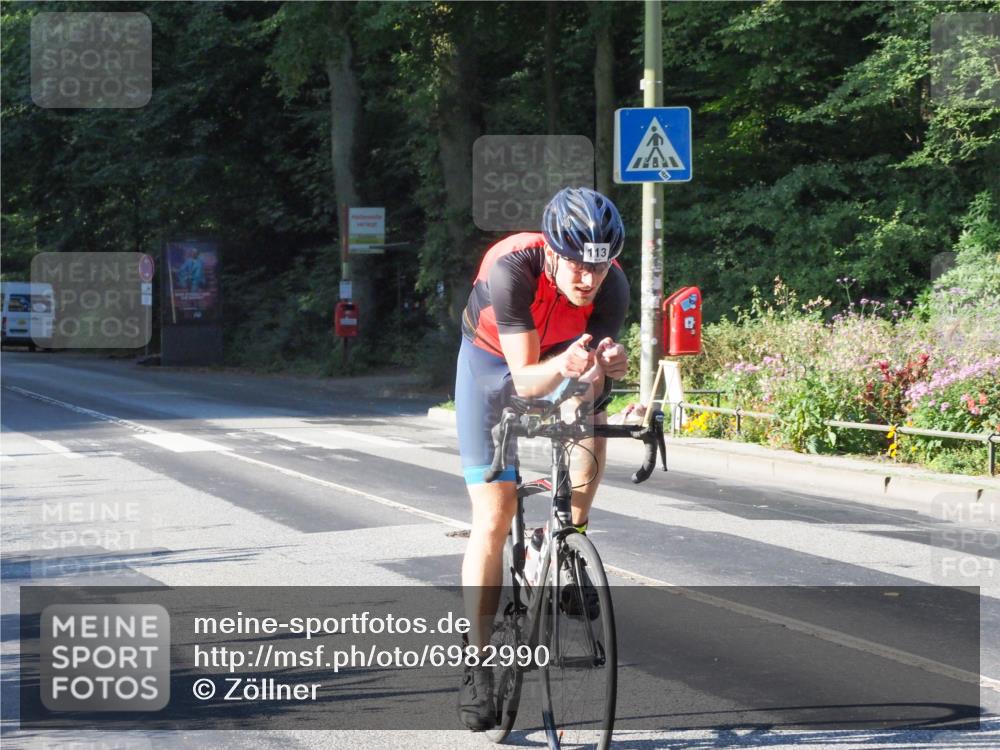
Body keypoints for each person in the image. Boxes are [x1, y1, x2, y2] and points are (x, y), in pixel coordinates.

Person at [454, 187, 630, 730]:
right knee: (494, 514)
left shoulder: (613, 286)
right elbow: (525, 377)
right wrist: (567, 367)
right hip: (492, 366)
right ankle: (478, 661)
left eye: (598, 269)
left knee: (592, 410)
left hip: (560, 361)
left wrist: (606, 365)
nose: (588, 279)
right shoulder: (512, 268)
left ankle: (571, 538)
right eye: (577, 265)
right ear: (552, 252)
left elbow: (587, 382)